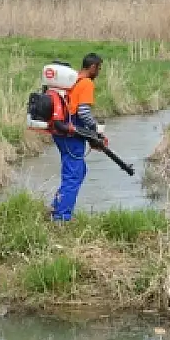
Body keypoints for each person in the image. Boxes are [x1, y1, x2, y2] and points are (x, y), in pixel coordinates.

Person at [50, 53, 106, 222]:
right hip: (70, 132)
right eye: (99, 68)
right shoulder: (87, 83)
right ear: (93, 67)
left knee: (78, 170)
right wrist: (95, 129)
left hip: (60, 131)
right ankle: (62, 217)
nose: (99, 72)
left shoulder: (71, 80)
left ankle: (56, 206)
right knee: (73, 174)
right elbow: (83, 112)